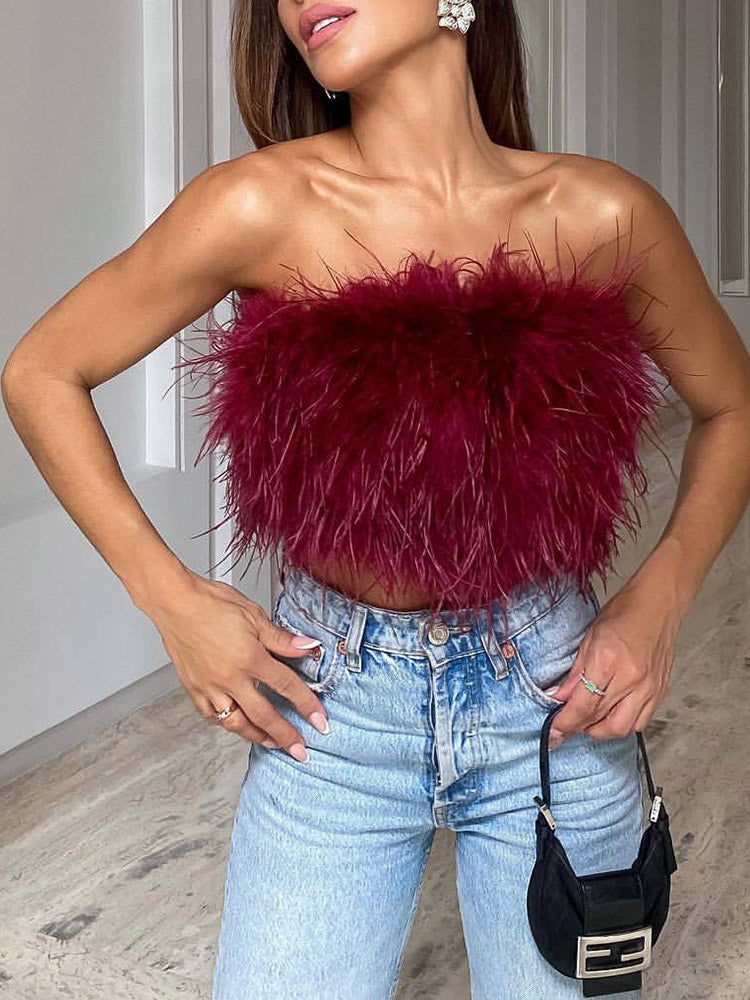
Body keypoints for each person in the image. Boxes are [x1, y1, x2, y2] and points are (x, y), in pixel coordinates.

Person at [3, 1, 750, 997]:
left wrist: (660, 599)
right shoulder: (258, 206)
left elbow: (733, 405)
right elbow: (42, 371)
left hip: (554, 702)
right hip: (334, 710)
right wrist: (171, 601)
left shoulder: (601, 214)